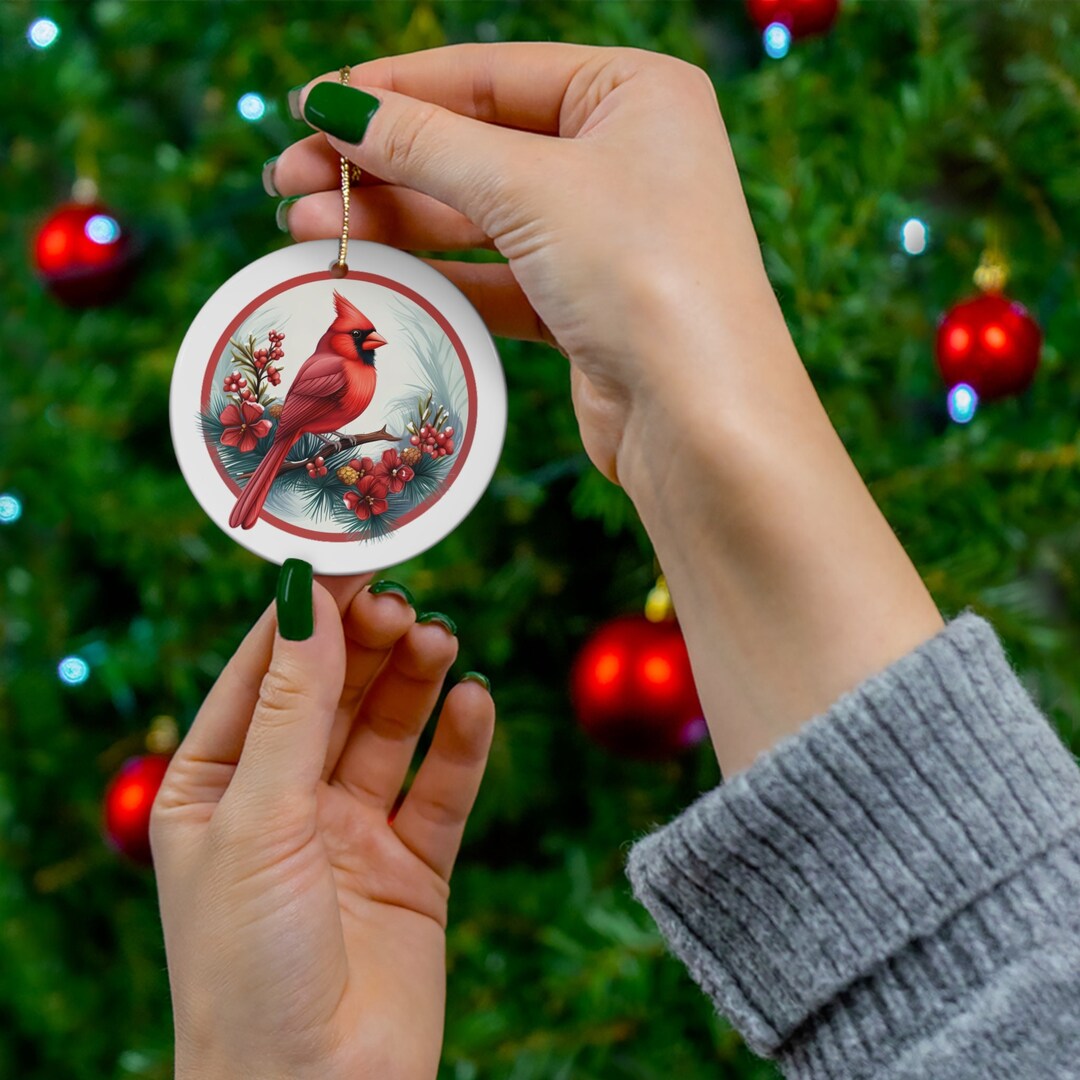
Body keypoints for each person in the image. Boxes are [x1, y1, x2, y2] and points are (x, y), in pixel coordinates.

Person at [150, 42, 1080, 1079]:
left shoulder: (353, 362)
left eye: (370, 348)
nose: (363, 354)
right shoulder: (326, 366)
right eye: (364, 345)